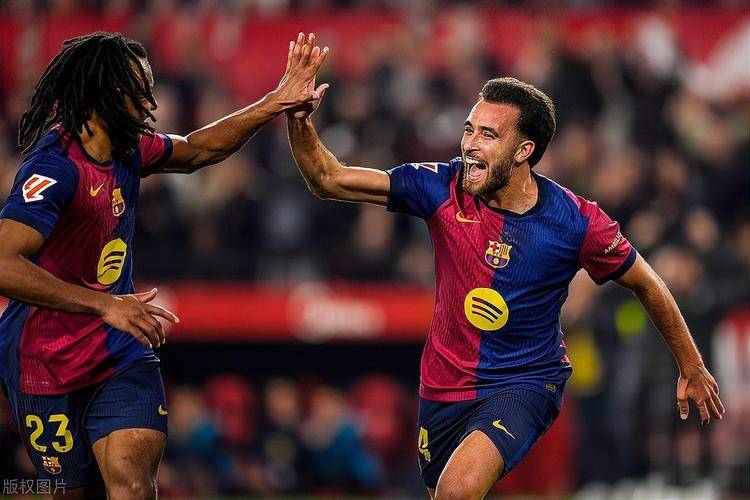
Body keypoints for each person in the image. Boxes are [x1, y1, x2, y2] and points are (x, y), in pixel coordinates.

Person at [285, 43, 725, 498]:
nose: (470, 145)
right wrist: (298, 118)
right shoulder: (440, 185)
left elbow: (647, 283)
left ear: (523, 151)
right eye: (469, 130)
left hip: (525, 382)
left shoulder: (576, 222)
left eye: (488, 135)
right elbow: (328, 178)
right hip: (442, 386)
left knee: (457, 492)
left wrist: (691, 365)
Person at [0, 31, 327, 499]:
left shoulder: (128, 147)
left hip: (118, 351)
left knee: (133, 486)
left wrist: (275, 101)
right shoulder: (54, 168)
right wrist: (103, 304)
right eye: (140, 91)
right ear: (104, 94)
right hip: (42, 362)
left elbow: (198, 149)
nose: (150, 103)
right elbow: (3, 263)